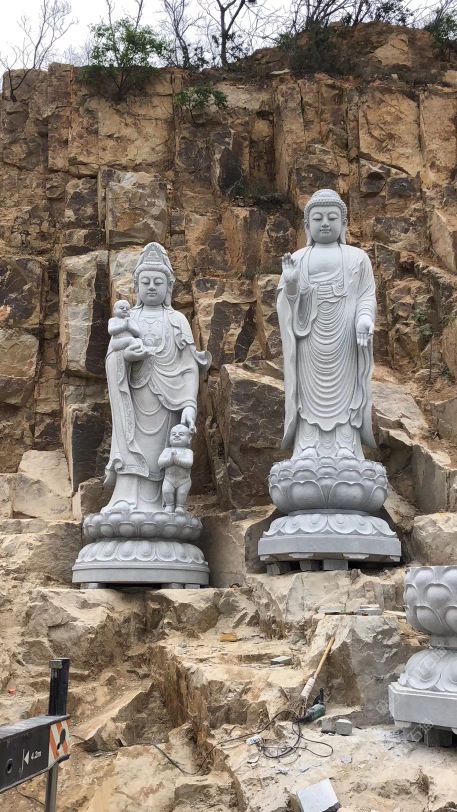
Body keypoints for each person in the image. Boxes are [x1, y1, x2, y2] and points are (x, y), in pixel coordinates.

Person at [103, 242, 210, 514]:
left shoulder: (177, 320)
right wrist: (126, 358)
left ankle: (165, 504)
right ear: (136, 286)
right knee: (131, 442)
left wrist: (189, 405)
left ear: (168, 287)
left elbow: (189, 366)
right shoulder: (129, 318)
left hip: (168, 400)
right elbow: (112, 356)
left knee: (164, 452)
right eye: (146, 282)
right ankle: (127, 498)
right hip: (134, 398)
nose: (151, 287)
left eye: (158, 282)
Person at [277, 188, 377, 461]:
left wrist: (364, 319)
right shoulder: (298, 258)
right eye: (318, 218)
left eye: (332, 218)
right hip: (308, 337)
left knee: (346, 393)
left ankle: (346, 446)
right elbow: (286, 304)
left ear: (343, 224)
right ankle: (307, 446)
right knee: (308, 394)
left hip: (345, 337)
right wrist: (291, 284)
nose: (324, 223)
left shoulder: (358, 257)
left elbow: (366, 296)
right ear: (307, 225)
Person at [158, 424, 193, 514]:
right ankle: (169, 505)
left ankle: (180, 506)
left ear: (189, 439)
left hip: (184, 480)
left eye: (181, 434)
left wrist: (177, 460)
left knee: (182, 493)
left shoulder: (188, 451)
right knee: (166, 491)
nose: (177, 435)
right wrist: (170, 460)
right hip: (169, 478)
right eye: (173, 434)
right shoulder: (167, 450)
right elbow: (160, 462)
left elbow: (189, 463)